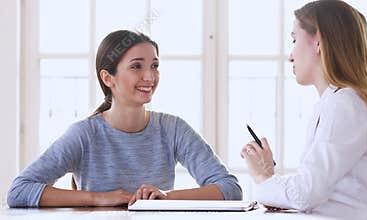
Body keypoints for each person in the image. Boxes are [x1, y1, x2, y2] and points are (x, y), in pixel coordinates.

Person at [8, 30, 242, 207]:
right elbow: (19, 191)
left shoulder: (173, 129)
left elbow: (230, 188)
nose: (149, 76)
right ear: (108, 78)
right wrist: (99, 198)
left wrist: (165, 197)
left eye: (155, 65)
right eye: (136, 66)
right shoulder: (84, 135)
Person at [240, 1, 367, 219]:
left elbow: (303, 195)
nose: (290, 55)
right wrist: (270, 176)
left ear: (318, 42)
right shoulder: (339, 102)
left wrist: (263, 177)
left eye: (294, 39)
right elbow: (316, 192)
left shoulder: (345, 105)